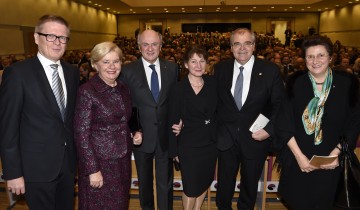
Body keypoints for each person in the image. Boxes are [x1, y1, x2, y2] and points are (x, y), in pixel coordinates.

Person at [0, 15, 79, 209]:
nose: (57, 42)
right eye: (50, 36)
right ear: (36, 38)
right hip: (35, 169)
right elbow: (7, 127)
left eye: (62, 38)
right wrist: (13, 172)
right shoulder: (17, 74)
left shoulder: (72, 72)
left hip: (67, 165)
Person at [275, 35, 360, 210]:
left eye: (321, 55)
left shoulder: (347, 83)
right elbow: (283, 122)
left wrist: (336, 153)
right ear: (304, 59)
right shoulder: (295, 82)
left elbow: (354, 121)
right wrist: (300, 157)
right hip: (299, 159)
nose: (315, 61)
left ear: (330, 57)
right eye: (310, 56)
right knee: (299, 202)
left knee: (327, 203)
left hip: (332, 160)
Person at [214, 28, 285, 210]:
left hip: (255, 139)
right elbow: (213, 103)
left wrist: (269, 130)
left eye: (247, 43)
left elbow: (280, 105)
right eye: (237, 43)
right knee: (224, 187)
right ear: (231, 47)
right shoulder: (221, 69)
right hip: (226, 140)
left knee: (249, 187)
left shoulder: (270, 70)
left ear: (254, 46)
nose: (242, 48)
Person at [74, 42, 142, 210]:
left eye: (116, 61)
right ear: (95, 64)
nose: (112, 66)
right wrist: (92, 169)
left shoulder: (123, 88)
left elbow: (127, 116)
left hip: (122, 161)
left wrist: (135, 131)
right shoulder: (87, 91)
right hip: (100, 164)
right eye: (106, 62)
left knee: (120, 205)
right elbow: (81, 133)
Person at [120, 29, 180, 210]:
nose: (150, 48)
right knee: (144, 185)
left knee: (166, 184)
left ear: (161, 46)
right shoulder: (128, 71)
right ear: (139, 47)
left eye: (154, 44)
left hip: (165, 137)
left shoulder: (172, 68)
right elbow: (126, 106)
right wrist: (134, 130)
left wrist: (180, 121)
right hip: (141, 137)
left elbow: (175, 101)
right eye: (145, 44)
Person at [168, 45, 217, 210]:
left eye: (202, 61)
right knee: (190, 187)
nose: (198, 65)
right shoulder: (178, 89)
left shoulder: (213, 85)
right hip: (188, 145)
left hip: (210, 144)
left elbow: (222, 112)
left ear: (207, 64)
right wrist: (174, 152)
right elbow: (172, 122)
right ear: (186, 64)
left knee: (204, 182)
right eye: (194, 61)